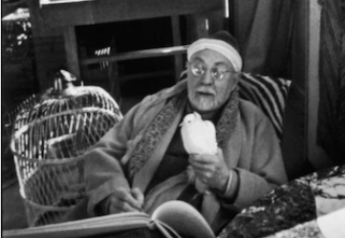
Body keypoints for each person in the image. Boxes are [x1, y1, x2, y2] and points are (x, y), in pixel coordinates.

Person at [83, 31, 288, 233]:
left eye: (218, 73)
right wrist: (111, 199)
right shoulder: (154, 106)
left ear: (234, 82)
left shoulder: (253, 122)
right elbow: (101, 154)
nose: (206, 80)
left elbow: (279, 196)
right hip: (135, 220)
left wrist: (226, 180)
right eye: (198, 69)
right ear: (187, 71)